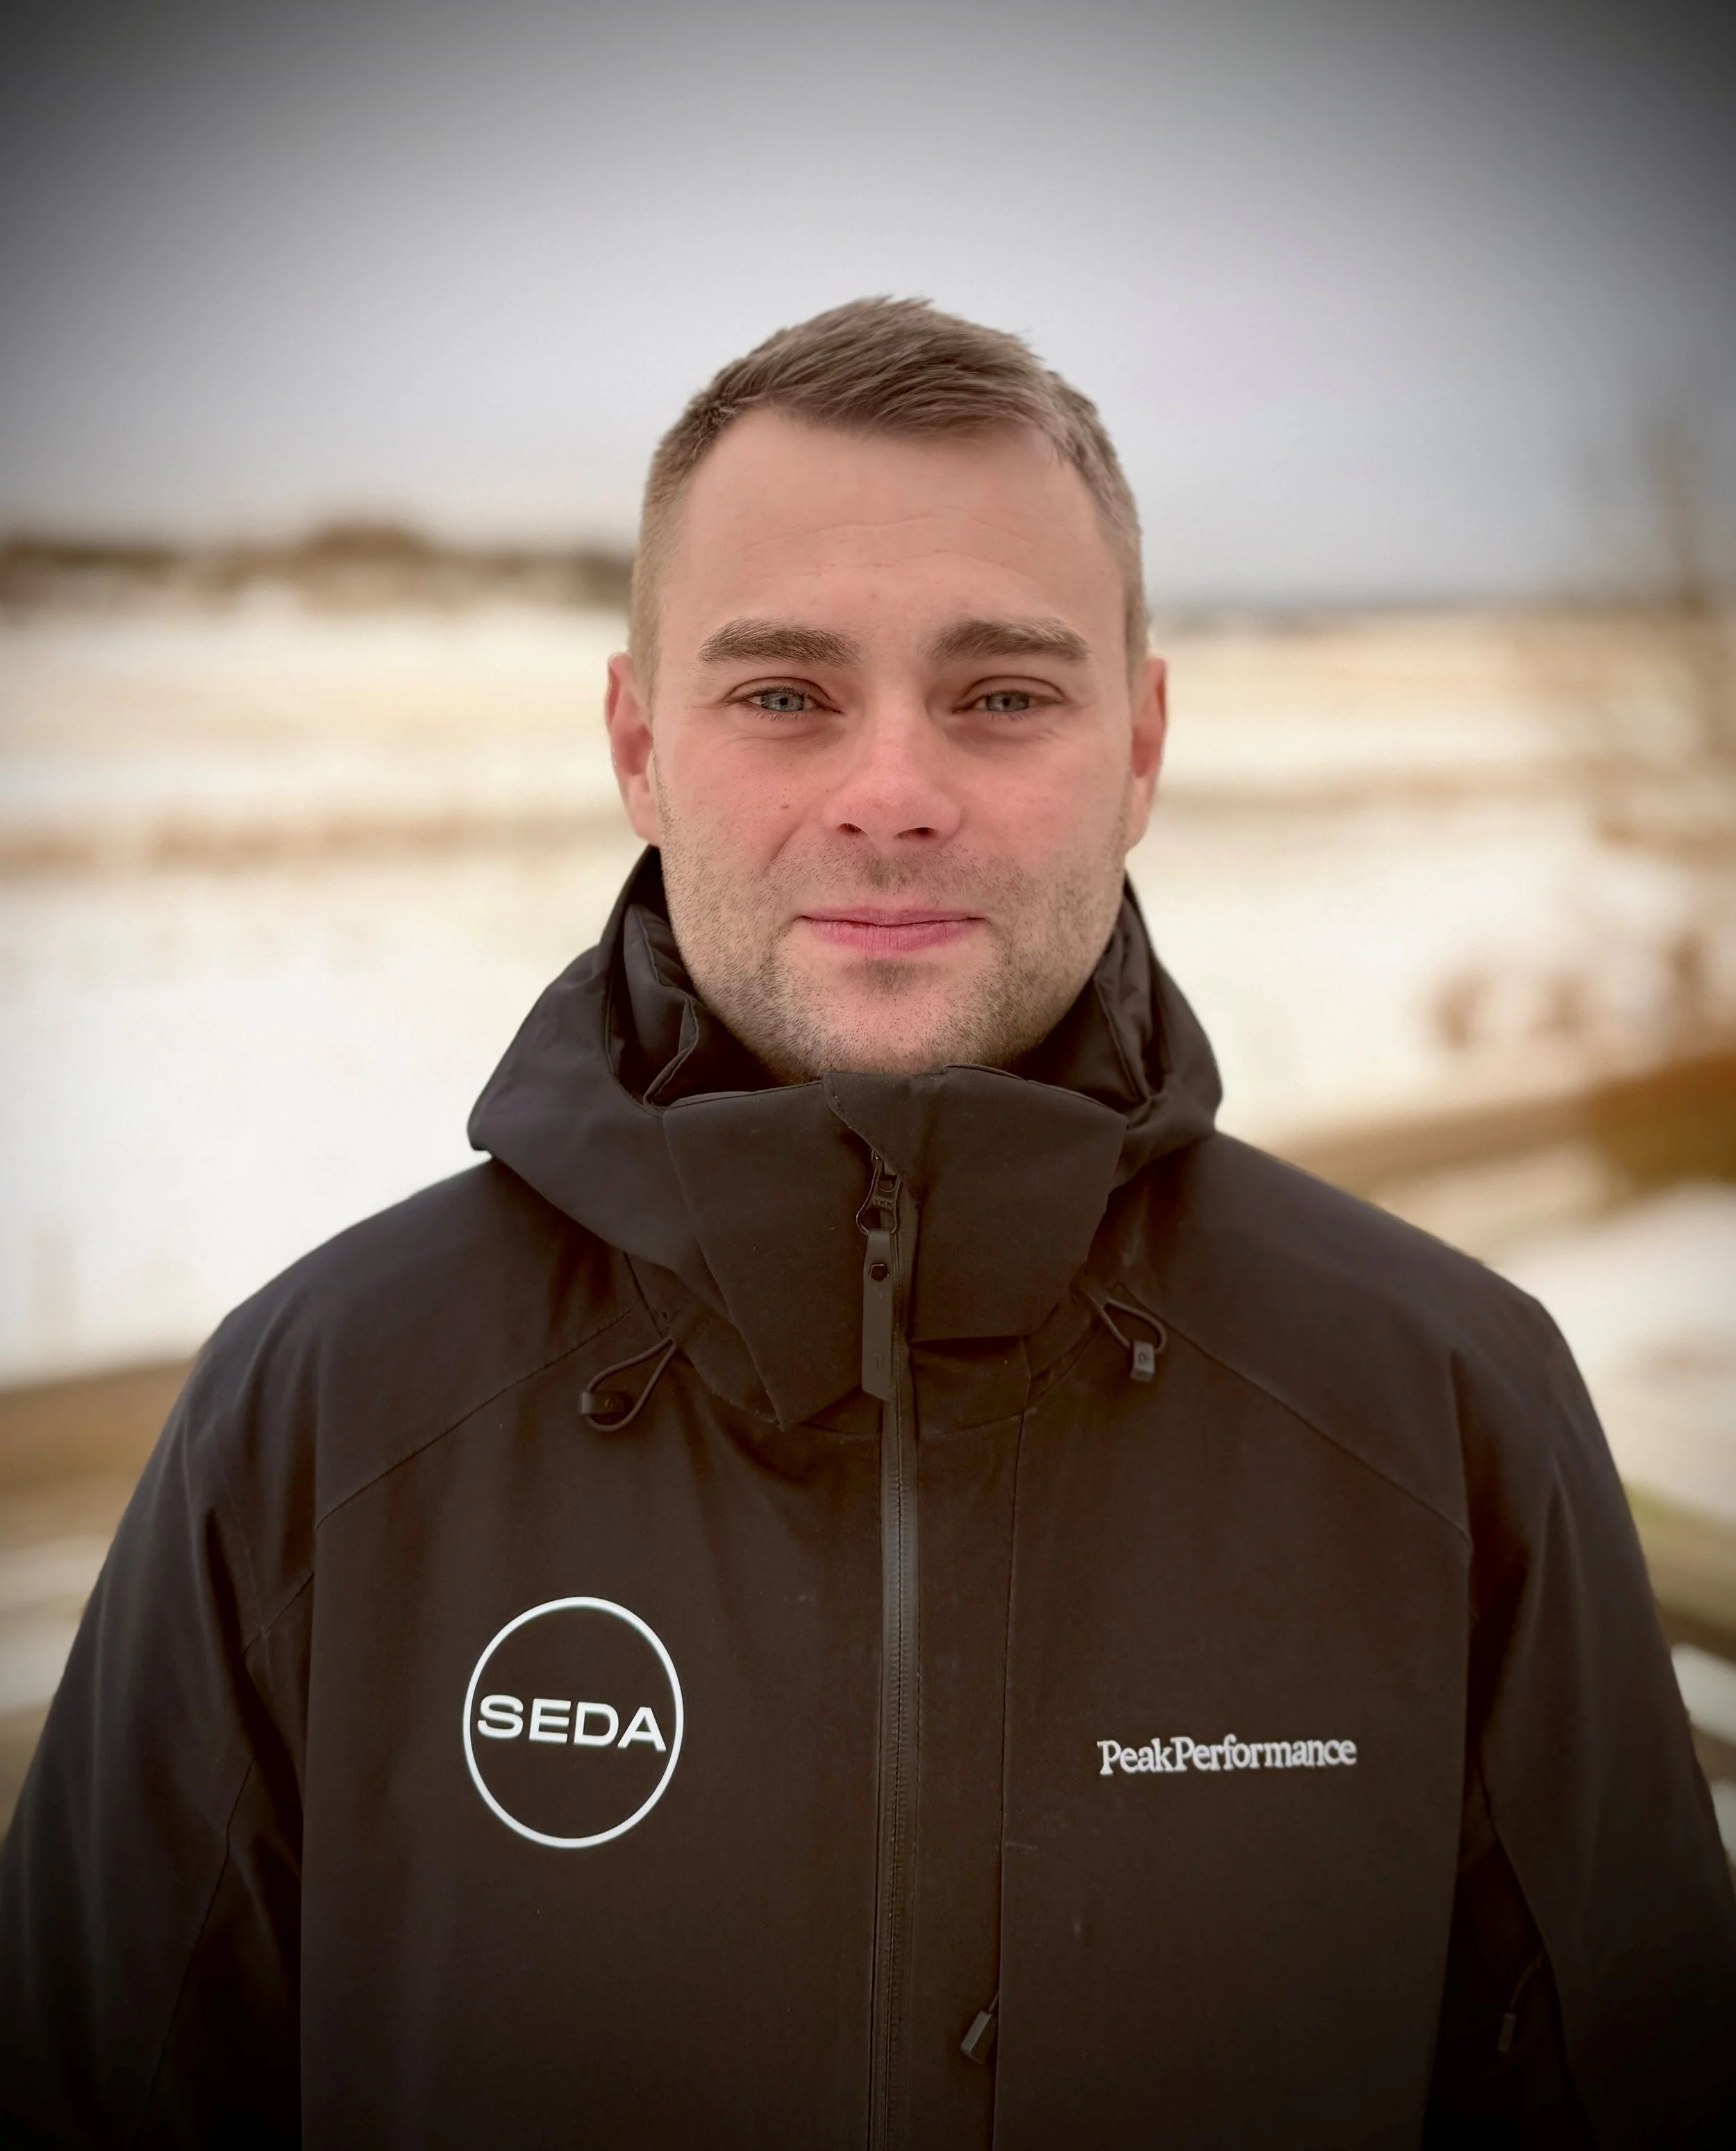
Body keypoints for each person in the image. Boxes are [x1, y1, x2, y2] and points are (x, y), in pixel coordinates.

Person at [2, 297, 1732, 2150]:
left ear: (1137, 745)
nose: (892, 794)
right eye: (781, 694)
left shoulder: (1440, 1409)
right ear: (636, 746)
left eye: (1001, 694)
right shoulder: (324, 1415)